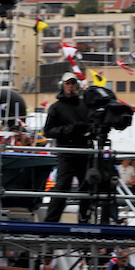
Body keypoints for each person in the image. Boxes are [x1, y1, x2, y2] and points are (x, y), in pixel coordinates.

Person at [43, 73, 93, 223]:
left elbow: (93, 125)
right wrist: (69, 130)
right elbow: (48, 131)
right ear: (63, 85)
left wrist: (85, 129)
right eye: (68, 83)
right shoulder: (56, 107)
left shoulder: (84, 105)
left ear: (76, 85)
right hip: (66, 152)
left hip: (83, 151)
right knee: (62, 186)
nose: (71, 86)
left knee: (87, 186)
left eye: (73, 83)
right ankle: (51, 222)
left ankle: (84, 220)